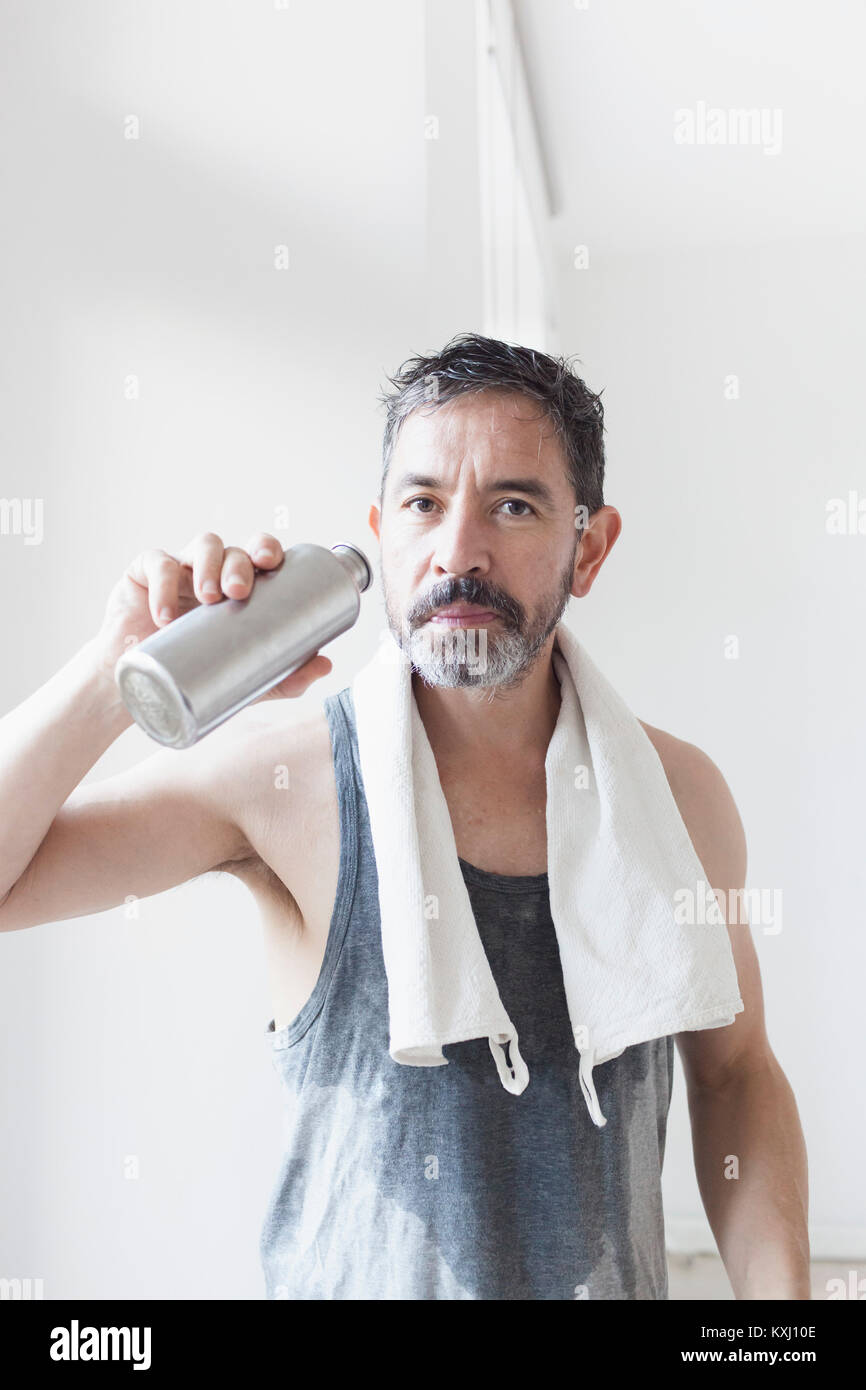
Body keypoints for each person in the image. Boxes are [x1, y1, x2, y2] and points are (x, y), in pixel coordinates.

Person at [0, 333, 809, 1300]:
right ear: (382, 534)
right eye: (423, 505)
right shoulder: (284, 777)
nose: (457, 552)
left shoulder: (681, 800)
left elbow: (736, 1078)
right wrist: (112, 673)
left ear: (587, 548)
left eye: (513, 505)